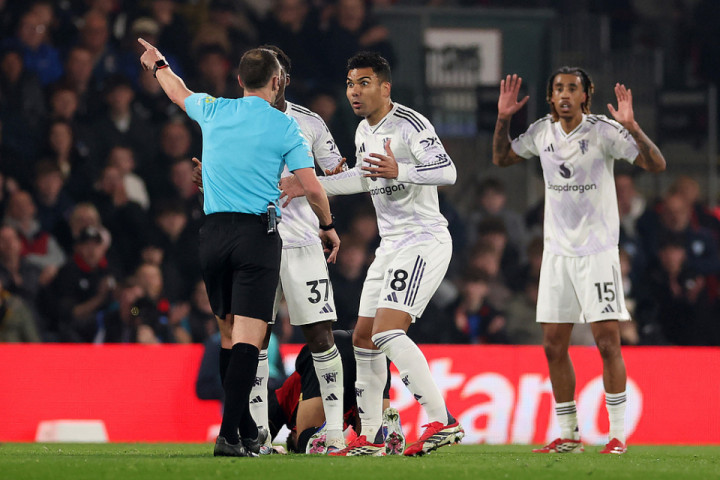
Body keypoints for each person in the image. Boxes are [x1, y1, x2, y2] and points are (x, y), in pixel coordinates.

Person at [137, 39, 340, 458]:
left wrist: (158, 64)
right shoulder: (285, 126)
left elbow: (177, 91)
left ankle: (246, 429)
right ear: (277, 82)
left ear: (238, 80)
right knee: (250, 338)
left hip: (212, 234)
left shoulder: (214, 109)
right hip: (256, 236)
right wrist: (328, 225)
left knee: (228, 335)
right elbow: (314, 188)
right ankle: (230, 433)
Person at [281, 51, 463, 456]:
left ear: (385, 87)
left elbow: (447, 170)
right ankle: (372, 435)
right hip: (390, 246)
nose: (354, 91)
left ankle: (443, 420)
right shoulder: (364, 130)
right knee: (364, 338)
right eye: (350, 84)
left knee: (387, 332)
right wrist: (308, 185)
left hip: (422, 241)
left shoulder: (410, 124)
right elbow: (362, 179)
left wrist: (402, 171)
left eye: (363, 83)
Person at [492, 67, 666, 454]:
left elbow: (656, 165)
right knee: (553, 346)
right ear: (551, 96)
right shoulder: (541, 132)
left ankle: (617, 435)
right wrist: (503, 119)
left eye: (573, 88)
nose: (565, 94)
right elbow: (502, 158)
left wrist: (633, 127)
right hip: (557, 256)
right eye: (559, 88)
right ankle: (570, 436)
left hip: (597, 254)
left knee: (607, 344)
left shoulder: (603, 131)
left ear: (585, 95)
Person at [193, 45, 348, 454]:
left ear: (283, 81)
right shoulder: (234, 117)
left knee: (319, 335)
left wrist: (309, 185)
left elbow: (341, 176)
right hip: (257, 242)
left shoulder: (308, 122)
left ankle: (334, 432)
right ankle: (257, 433)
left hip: (300, 244)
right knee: (254, 341)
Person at [266, 330, 401, 455]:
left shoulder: (286, 401)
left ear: (292, 432)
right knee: (368, 434)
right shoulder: (346, 420)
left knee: (307, 441)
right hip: (367, 346)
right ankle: (383, 435)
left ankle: (381, 433)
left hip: (326, 352)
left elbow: (264, 431)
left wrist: (270, 448)